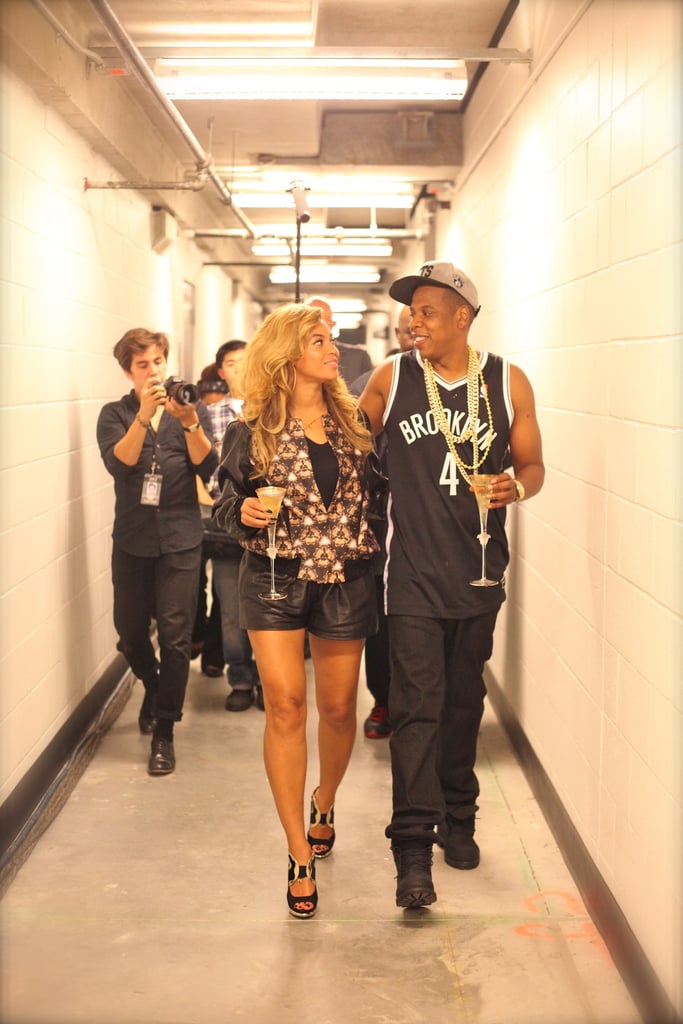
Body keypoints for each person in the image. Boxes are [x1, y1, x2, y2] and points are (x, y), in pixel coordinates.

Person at [360, 261, 545, 908]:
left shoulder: (505, 381)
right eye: (409, 312)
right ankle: (412, 851)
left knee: (463, 706)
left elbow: (533, 465)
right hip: (408, 576)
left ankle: (458, 820)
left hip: (478, 571)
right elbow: (347, 443)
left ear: (462, 317)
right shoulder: (390, 377)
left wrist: (513, 487)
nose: (413, 321)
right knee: (415, 711)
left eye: (427, 312)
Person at [213, 303, 381, 919]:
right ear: (287, 355)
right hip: (274, 579)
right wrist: (245, 515)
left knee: (338, 708)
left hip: (344, 579)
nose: (332, 348)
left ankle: (325, 800)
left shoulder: (357, 423)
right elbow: (224, 508)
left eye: (330, 339)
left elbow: (381, 498)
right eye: (318, 340)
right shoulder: (249, 428)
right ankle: (297, 854)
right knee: (285, 704)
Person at [97, 328, 218, 775]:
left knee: (175, 638)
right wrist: (143, 418)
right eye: (143, 365)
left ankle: (164, 732)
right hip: (132, 539)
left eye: (158, 362)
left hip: (182, 539)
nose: (153, 372)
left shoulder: (188, 408)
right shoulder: (114, 414)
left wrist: (188, 421)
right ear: (128, 371)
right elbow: (119, 462)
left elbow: (209, 466)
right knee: (129, 633)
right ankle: (153, 686)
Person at [349, 304, 415, 740]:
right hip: (379, 526)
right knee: (383, 624)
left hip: (433, 529)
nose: (413, 336)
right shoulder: (372, 383)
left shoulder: (462, 387)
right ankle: (383, 701)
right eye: (406, 330)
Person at [206, 340, 263, 712]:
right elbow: (206, 474)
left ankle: (265, 680)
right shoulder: (208, 413)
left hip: (267, 525)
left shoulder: (272, 412)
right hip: (225, 525)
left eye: (246, 362)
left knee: (264, 608)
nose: (240, 370)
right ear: (220, 371)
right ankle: (240, 679)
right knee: (230, 611)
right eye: (231, 363)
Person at [192, 367, 229, 676]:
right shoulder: (203, 411)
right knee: (202, 583)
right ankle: (202, 640)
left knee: (222, 589)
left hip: (232, 511)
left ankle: (213, 651)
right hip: (201, 511)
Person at [307, 295, 373, 383]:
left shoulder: (358, 358)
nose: (317, 327)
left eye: (323, 322)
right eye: (310, 322)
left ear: (332, 325)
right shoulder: (292, 359)